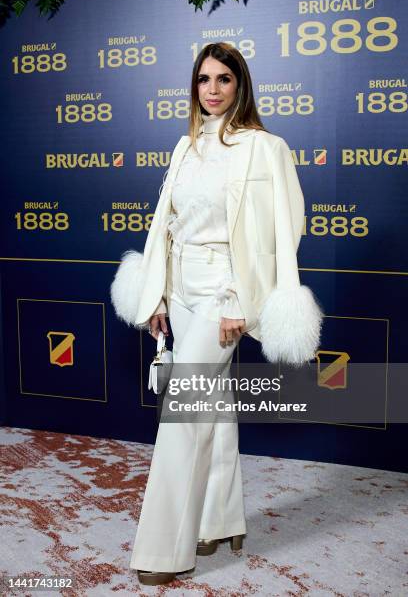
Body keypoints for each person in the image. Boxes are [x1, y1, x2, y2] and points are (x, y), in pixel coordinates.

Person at [110, 42, 324, 586]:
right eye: (203, 79)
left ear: (240, 85)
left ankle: (163, 549)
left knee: (183, 417)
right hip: (181, 291)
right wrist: (156, 293)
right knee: (212, 406)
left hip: (223, 298)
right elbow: (166, 226)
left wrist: (241, 302)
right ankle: (218, 521)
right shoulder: (186, 146)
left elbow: (283, 232)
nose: (212, 89)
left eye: (223, 79)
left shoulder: (265, 147)